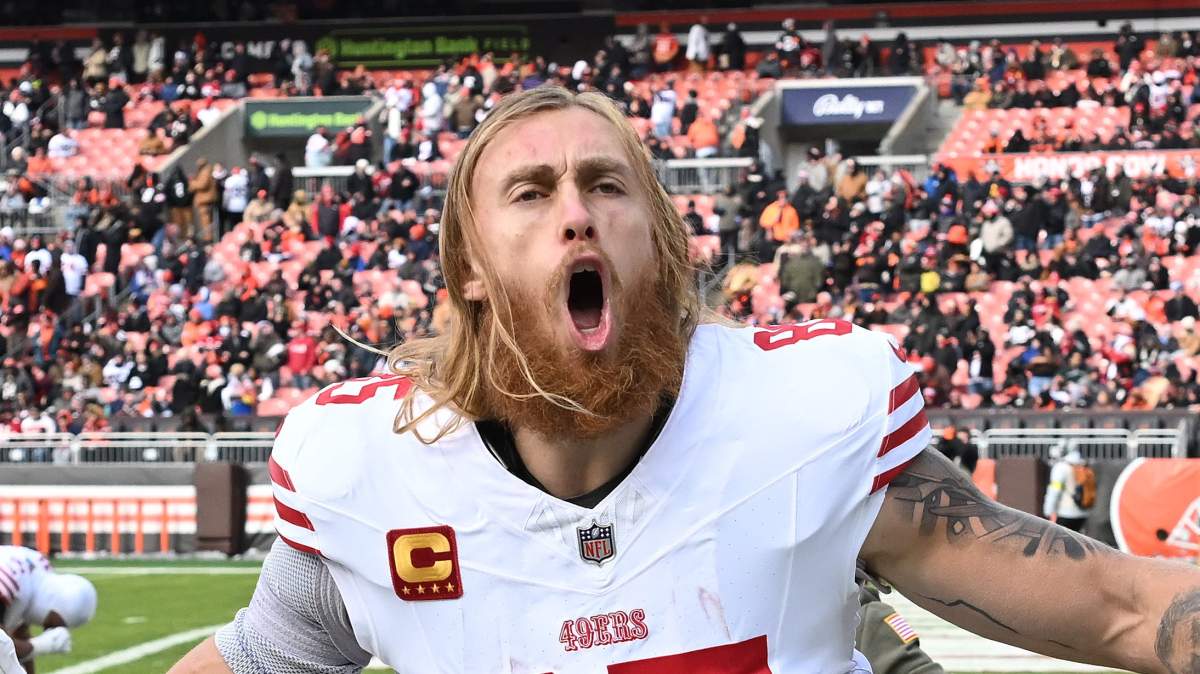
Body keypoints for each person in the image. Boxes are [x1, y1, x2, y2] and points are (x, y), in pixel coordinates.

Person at [173, 87, 1200, 674]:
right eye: (530, 192)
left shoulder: (801, 419)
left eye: (606, 184)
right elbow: (258, 653)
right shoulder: (371, 474)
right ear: (469, 271)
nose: (577, 214)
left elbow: (1120, 605)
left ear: (661, 246)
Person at [0, 545, 98, 670]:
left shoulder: (31, 576)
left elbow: (19, 633)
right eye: (52, 625)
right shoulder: (10, 577)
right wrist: (38, 646)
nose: (48, 629)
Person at [1042, 440, 1093, 533]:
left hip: (1065, 513)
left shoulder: (1061, 467)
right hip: (1083, 514)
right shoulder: (1083, 465)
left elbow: (1054, 491)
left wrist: (1048, 511)